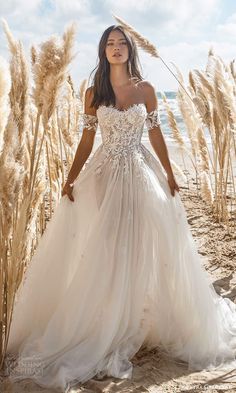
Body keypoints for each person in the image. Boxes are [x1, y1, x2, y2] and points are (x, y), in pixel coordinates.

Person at [5, 25, 236, 393]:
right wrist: (70, 177)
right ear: (103, 50)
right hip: (104, 174)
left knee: (144, 241)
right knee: (109, 245)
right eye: (110, 44)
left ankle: (135, 317)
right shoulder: (93, 93)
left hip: (142, 172)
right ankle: (106, 320)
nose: (116, 48)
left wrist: (171, 173)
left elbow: (157, 133)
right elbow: (86, 138)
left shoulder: (146, 89)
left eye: (122, 43)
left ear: (131, 49)